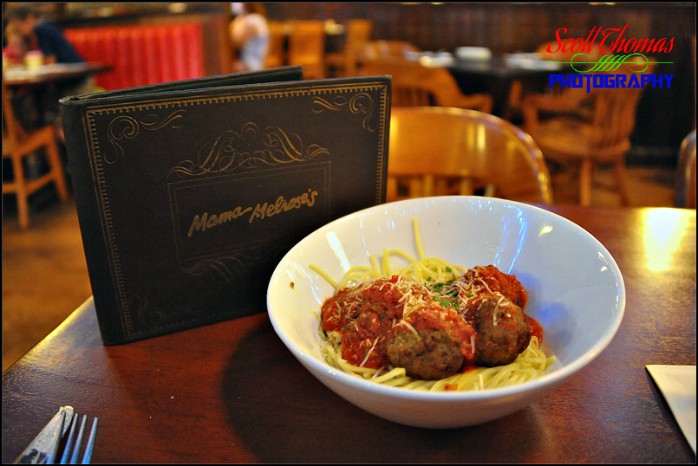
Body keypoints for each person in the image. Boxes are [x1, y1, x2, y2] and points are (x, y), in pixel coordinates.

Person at [229, 2, 270, 72]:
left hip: (251, 64)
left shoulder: (252, 20)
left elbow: (236, 42)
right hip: (256, 62)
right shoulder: (257, 18)